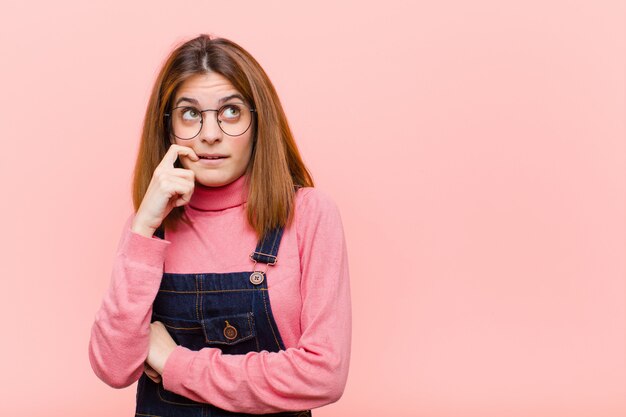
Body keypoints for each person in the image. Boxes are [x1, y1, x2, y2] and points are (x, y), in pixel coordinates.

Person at [87, 34, 352, 417]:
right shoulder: (148, 229)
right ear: (169, 128)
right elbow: (113, 368)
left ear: (258, 122)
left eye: (230, 112)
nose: (210, 134)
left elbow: (324, 375)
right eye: (191, 114)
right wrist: (143, 228)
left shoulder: (309, 214)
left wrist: (174, 362)